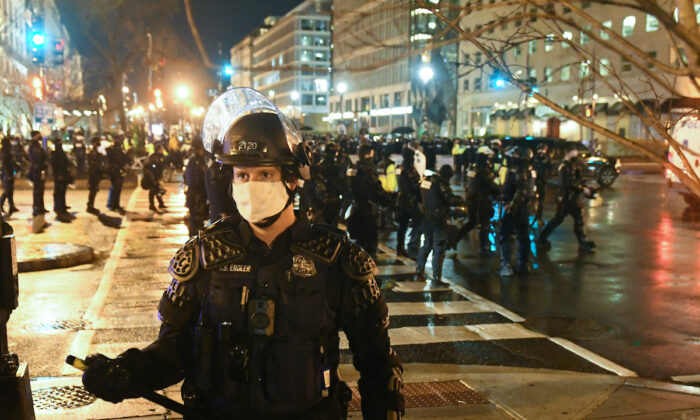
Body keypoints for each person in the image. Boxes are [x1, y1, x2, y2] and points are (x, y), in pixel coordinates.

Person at [80, 88, 404, 420]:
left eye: (265, 174)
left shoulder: (336, 260)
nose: (251, 185)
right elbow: (173, 352)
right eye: (242, 175)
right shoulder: (203, 257)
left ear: (291, 179)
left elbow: (378, 363)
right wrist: (126, 372)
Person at [537, 143, 596, 252]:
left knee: (578, 219)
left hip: (573, 198)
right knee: (557, 220)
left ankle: (583, 242)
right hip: (566, 198)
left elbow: (578, 180)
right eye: (574, 151)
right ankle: (541, 238)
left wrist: (585, 187)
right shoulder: (564, 167)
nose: (577, 153)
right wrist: (582, 188)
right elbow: (567, 183)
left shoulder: (573, 165)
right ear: (568, 153)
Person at [415, 164, 464, 283]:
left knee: (427, 244)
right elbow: (449, 199)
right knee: (439, 248)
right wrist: (461, 201)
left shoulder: (426, 181)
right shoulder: (441, 183)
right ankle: (437, 277)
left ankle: (419, 270)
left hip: (426, 217)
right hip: (439, 219)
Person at [451, 146, 500, 254]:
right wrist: (498, 190)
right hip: (482, 202)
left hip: (472, 200)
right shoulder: (484, 172)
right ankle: (485, 247)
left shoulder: (472, 170)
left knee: (471, 222)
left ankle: (455, 239)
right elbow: (493, 187)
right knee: (484, 224)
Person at [347, 143, 393, 257]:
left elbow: (346, 186)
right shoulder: (369, 170)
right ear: (368, 155)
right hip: (368, 207)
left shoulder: (353, 168)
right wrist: (388, 201)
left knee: (360, 239)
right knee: (370, 239)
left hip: (356, 206)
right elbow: (377, 189)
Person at [499, 146, 535, 276]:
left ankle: (506, 266)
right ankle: (523, 263)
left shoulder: (518, 169)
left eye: (514, 155)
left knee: (506, 234)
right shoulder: (530, 169)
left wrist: (511, 207)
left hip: (516, 207)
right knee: (523, 235)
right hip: (525, 207)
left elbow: (521, 190)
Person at [396, 148, 421, 258]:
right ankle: (412, 247)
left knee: (402, 226)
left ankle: (400, 247)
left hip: (402, 199)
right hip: (410, 201)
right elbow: (415, 186)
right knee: (418, 223)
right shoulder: (410, 170)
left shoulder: (401, 167)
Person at [184, 138, 208, 235]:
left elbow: (186, 177)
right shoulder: (199, 161)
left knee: (193, 219)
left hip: (192, 194)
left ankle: (192, 240)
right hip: (197, 196)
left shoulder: (191, 160)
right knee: (197, 221)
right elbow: (199, 180)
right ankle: (195, 242)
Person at [50, 137, 74, 222]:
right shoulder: (55, 153)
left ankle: (63, 207)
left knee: (62, 192)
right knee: (58, 192)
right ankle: (58, 208)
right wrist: (58, 174)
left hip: (64, 174)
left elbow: (65, 162)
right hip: (59, 175)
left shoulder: (61, 152)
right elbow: (55, 165)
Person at [106, 136, 130, 213]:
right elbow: (117, 159)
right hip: (114, 171)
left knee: (118, 188)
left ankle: (116, 204)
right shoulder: (112, 149)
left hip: (117, 170)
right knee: (115, 187)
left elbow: (123, 159)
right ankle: (111, 204)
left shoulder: (118, 149)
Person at [27, 131, 48, 216]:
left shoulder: (36, 145)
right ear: (35, 136)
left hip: (39, 169)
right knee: (37, 190)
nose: (40, 136)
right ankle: (36, 207)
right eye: (39, 135)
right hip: (36, 171)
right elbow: (36, 158)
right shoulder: (33, 145)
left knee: (41, 189)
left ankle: (41, 207)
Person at [142, 143, 167, 212]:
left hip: (156, 176)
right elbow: (149, 169)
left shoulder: (160, 156)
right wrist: (153, 179)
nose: (163, 150)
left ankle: (160, 203)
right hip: (152, 177)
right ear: (158, 150)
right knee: (153, 190)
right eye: (161, 149)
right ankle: (152, 205)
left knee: (157, 189)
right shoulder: (153, 158)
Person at [532, 143, 553, 226]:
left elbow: (550, 169)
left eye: (543, 150)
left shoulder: (547, 159)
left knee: (541, 201)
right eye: (540, 149)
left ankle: (539, 218)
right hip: (534, 181)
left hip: (542, 182)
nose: (541, 151)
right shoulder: (534, 158)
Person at [86, 137, 106, 214]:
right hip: (93, 173)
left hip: (96, 173)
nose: (99, 143)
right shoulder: (92, 152)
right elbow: (93, 163)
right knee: (93, 190)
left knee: (94, 189)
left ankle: (91, 205)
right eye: (97, 142)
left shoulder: (96, 151)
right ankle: (90, 206)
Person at [1, 137, 19, 215]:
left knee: (10, 191)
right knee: (7, 191)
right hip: (6, 174)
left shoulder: (7, 150)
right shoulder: (4, 151)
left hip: (9, 173)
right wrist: (8, 174)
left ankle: (12, 206)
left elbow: (11, 162)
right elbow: (5, 164)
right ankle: (1, 204)